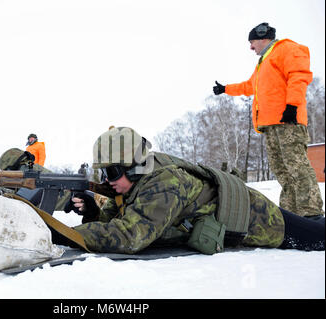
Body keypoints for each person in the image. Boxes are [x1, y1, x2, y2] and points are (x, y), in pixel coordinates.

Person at [59, 127, 324, 254]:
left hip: (259, 219)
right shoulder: (128, 188)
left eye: (113, 172)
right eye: (103, 173)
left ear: (136, 166)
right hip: (243, 215)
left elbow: (130, 235)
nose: (108, 180)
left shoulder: (165, 183)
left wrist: (62, 234)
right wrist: (93, 213)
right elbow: (113, 223)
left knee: (319, 237)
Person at [212, 22, 324, 219]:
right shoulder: (264, 61)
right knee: (282, 170)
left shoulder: (286, 49)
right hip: (270, 124)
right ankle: (292, 214)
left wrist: (292, 106)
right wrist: (226, 89)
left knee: (296, 166)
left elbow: (298, 76)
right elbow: (250, 86)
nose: (250, 47)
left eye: (252, 42)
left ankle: (312, 213)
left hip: (287, 120)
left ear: (263, 38)